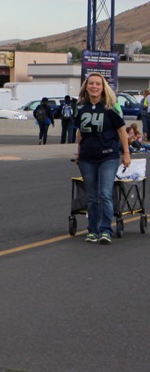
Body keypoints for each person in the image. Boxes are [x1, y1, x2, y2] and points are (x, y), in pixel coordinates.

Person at [74, 72, 130, 245]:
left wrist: (126, 153)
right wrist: (78, 152)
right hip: (87, 158)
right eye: (91, 83)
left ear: (103, 86)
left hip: (108, 156)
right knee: (91, 196)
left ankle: (105, 230)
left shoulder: (110, 107)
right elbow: (80, 132)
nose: (94, 87)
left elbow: (121, 130)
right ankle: (93, 230)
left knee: (105, 194)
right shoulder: (80, 107)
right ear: (86, 86)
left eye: (98, 84)